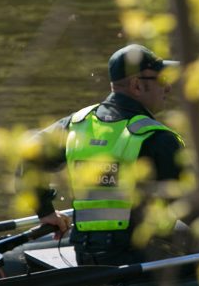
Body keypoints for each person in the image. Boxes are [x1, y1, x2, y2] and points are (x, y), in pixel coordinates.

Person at [20, 43, 186, 266]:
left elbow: (28, 154)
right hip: (143, 261)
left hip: (86, 256)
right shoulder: (158, 138)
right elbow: (194, 209)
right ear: (137, 85)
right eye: (162, 80)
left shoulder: (76, 125)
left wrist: (44, 211)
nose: (167, 89)